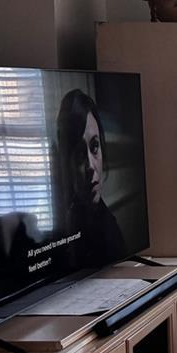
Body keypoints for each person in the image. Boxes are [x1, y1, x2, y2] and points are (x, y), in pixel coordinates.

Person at [56, 89, 128, 269]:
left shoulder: (109, 224)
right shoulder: (66, 228)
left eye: (95, 147)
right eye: (80, 153)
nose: (90, 166)